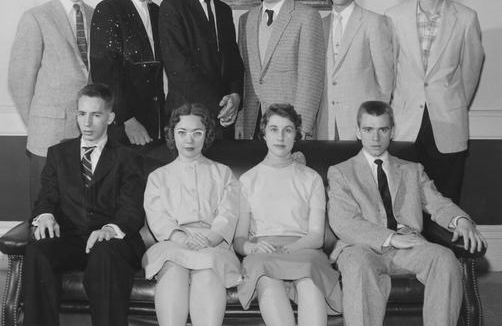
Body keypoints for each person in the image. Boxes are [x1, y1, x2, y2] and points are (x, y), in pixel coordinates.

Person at [327, 100, 487, 326]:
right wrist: (391, 238)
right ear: (358, 132)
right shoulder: (341, 172)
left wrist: (460, 220)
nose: (375, 138)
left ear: (392, 132)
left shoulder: (412, 170)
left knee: (445, 259)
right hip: (361, 248)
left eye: (382, 129)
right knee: (356, 264)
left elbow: (437, 202)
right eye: (368, 130)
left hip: (410, 247)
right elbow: (344, 222)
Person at [22, 83, 146, 326]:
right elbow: (47, 196)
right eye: (81, 114)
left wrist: (109, 230)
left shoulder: (127, 158)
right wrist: (45, 215)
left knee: (104, 255)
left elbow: (131, 209)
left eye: (96, 115)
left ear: (110, 118)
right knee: (37, 251)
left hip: (111, 241)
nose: (87, 123)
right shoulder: (58, 153)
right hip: (72, 238)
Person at [385, 0, 484, 203]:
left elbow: (471, 69)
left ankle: (444, 246)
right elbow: (388, 69)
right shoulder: (394, 17)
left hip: (447, 122)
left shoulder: (465, 18)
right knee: (404, 201)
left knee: (446, 199)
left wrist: (454, 102)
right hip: (405, 123)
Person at [234, 104, 341, 326]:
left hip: (303, 247)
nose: (280, 137)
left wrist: (291, 248)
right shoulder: (247, 180)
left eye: (288, 130)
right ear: (263, 134)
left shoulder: (311, 178)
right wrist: (252, 248)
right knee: (266, 278)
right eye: (274, 129)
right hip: (263, 250)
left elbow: (316, 236)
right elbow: (239, 239)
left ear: (296, 135)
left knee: (310, 280)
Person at [8, 0, 95, 207]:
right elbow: (19, 80)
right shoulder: (36, 17)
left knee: (80, 209)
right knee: (44, 210)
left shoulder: (96, 15)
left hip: (87, 134)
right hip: (48, 134)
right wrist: (38, 122)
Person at [142, 103, 241, 326]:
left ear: (207, 135)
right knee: (173, 269)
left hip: (213, 244)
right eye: (182, 132)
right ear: (172, 134)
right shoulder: (158, 177)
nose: (189, 140)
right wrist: (182, 238)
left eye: (197, 133)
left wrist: (209, 239)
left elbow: (229, 213)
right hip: (173, 242)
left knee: (207, 267)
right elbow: (158, 217)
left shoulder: (223, 172)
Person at [159, 0, 244, 139]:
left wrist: (235, 96)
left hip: (223, 121)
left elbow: (233, 61)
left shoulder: (224, 10)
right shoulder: (172, 7)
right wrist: (220, 106)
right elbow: (179, 68)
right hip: (188, 117)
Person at [235, 0, 325, 140]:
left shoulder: (306, 17)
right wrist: (241, 120)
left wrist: (301, 127)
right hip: (254, 123)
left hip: (289, 124)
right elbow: (246, 76)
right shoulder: (246, 19)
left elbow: (311, 79)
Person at [90, 0, 164, 146]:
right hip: (123, 126)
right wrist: (127, 119)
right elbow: (104, 74)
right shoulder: (108, 9)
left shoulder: (158, 11)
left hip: (156, 122)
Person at [315, 0, 393, 140]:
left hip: (362, 124)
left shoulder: (374, 22)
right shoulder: (319, 25)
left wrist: (374, 124)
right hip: (326, 124)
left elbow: (385, 81)